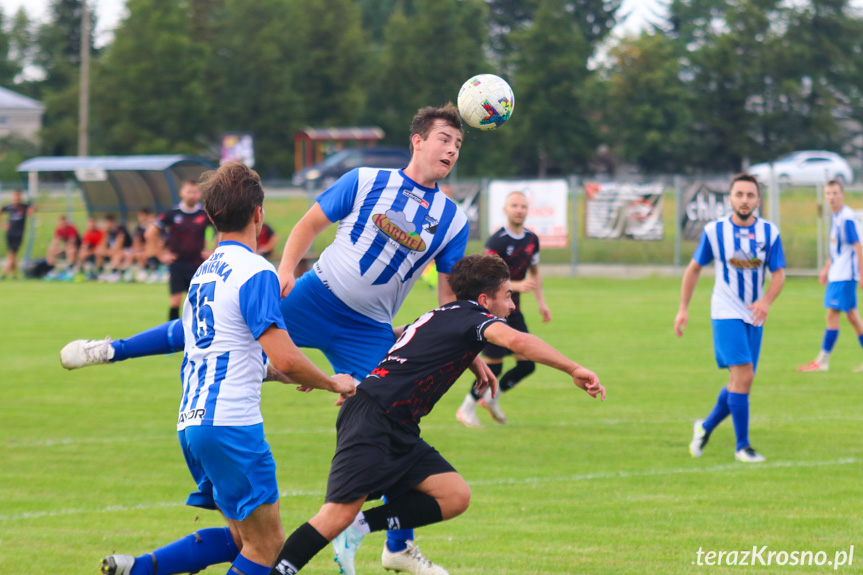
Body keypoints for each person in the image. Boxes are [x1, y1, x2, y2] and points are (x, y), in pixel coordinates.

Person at [61, 104, 488, 575]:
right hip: (316, 294)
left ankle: (398, 546)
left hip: (368, 328)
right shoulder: (367, 180)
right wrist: (285, 271)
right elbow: (309, 224)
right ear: (418, 140)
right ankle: (113, 348)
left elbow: (450, 303)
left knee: (394, 422)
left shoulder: (451, 219)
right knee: (225, 321)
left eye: (459, 143)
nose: (451, 148)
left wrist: (464, 352)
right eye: (445, 138)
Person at [268, 254, 605, 575]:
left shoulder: (445, 314)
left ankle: (360, 527)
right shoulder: (472, 318)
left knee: (454, 494)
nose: (513, 305)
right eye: (507, 296)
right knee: (334, 516)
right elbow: (516, 341)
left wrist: (471, 360)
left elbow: (405, 339)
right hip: (374, 419)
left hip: (396, 423)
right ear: (485, 301)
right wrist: (573, 367)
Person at [99, 162, 356, 575]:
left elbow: (227, 350)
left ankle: (141, 568)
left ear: (211, 218)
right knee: (268, 545)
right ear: (259, 214)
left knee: (243, 538)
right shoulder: (255, 271)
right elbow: (285, 355)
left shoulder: (203, 274)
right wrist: (331, 382)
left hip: (192, 424)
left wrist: (282, 373)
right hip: (231, 426)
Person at [674, 173, 786, 463]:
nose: (744, 200)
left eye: (750, 195)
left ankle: (705, 426)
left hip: (755, 314)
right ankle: (743, 447)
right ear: (731, 198)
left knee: (741, 381)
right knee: (744, 376)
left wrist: (766, 301)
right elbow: (694, 269)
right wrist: (683, 308)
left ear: (758, 200)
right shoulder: (715, 232)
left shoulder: (769, 233)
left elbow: (779, 274)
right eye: (739, 194)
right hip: (725, 311)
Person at [456, 190, 551, 427]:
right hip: (493, 312)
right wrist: (516, 285)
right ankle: (466, 408)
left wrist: (542, 303)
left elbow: (535, 273)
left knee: (527, 364)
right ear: (505, 209)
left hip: (514, 311)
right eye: (514, 205)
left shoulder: (532, 239)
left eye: (523, 206)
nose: (519, 210)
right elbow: (484, 277)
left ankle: (489, 399)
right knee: (494, 368)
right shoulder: (497, 240)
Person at [797, 179, 863, 372]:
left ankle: (822, 361)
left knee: (832, 315)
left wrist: (861, 272)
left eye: (835, 193)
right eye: (828, 193)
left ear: (842, 194)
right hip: (838, 274)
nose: (832, 197)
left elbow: (858, 246)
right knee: (852, 317)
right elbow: (838, 249)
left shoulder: (846, 218)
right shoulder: (836, 217)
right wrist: (827, 267)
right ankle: (822, 361)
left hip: (845, 275)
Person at [146, 179, 214, 320]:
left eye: (195, 192)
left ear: (199, 194)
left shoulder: (204, 214)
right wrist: (161, 255)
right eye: (189, 191)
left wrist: (213, 252)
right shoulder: (172, 213)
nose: (192, 195)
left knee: (198, 301)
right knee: (175, 301)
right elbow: (150, 233)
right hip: (177, 263)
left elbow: (222, 231)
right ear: (182, 193)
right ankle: (172, 335)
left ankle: (196, 334)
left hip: (198, 264)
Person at [1, 189, 34, 279]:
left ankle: (8, 274)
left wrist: (31, 209)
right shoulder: (9, 207)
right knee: (12, 253)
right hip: (10, 233)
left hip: (19, 233)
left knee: (13, 253)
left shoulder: (24, 206)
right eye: (15, 197)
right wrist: (2, 224)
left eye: (18, 197)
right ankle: (9, 274)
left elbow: (32, 210)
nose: (16, 199)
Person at [98, 213, 134, 281]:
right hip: (113, 250)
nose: (107, 225)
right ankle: (100, 273)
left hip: (126, 250)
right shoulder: (108, 232)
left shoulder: (120, 229)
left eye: (108, 223)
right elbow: (103, 245)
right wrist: (105, 233)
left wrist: (109, 251)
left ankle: (115, 273)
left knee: (117, 254)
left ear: (112, 222)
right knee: (99, 252)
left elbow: (119, 245)